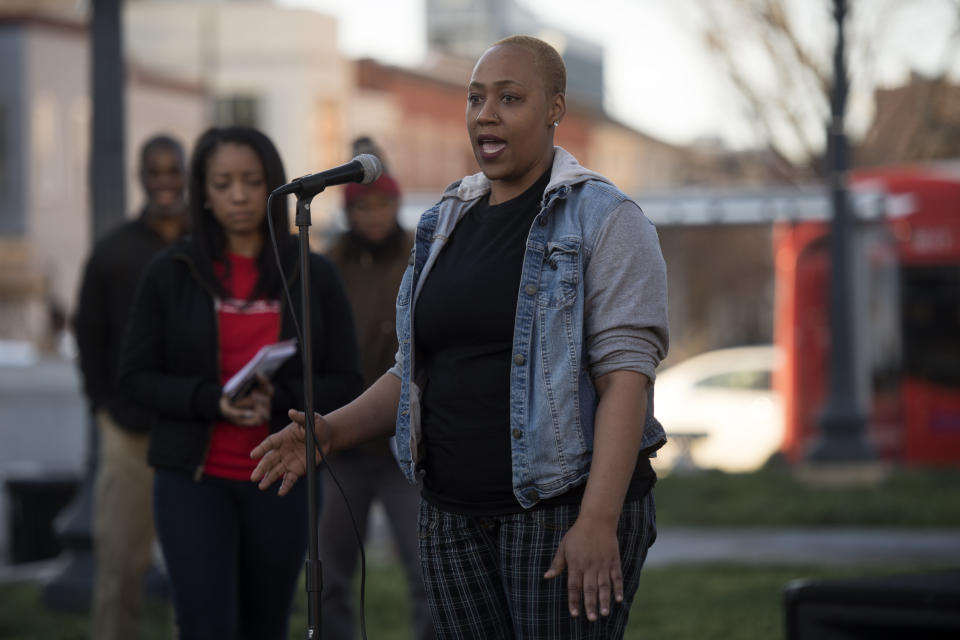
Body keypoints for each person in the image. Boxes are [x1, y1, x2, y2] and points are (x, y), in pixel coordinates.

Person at [252, 35, 669, 639]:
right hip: (451, 513)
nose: (486, 114)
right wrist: (332, 430)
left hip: (559, 510)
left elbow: (626, 376)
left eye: (509, 98)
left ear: (555, 107)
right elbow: (413, 369)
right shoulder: (444, 221)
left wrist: (599, 518)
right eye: (475, 99)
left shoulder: (605, 219)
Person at [118, 125, 362, 639]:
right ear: (202, 192)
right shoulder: (172, 271)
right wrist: (212, 401)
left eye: (252, 181)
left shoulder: (311, 272)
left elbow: (348, 380)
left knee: (265, 624)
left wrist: (286, 400)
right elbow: (134, 378)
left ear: (272, 185)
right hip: (192, 480)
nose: (238, 195)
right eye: (223, 182)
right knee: (204, 624)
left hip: (282, 479)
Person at [73, 133, 187, 640]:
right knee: (120, 568)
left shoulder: (205, 245)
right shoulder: (113, 251)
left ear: (186, 173)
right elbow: (88, 334)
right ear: (141, 176)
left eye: (172, 170)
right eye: (154, 170)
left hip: (195, 428)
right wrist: (105, 408)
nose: (164, 181)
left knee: (197, 572)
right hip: (129, 430)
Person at [319, 151, 435, 640]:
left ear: (397, 205)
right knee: (327, 576)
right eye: (363, 207)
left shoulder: (422, 255)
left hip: (404, 446)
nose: (373, 216)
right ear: (349, 211)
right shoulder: (327, 267)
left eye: (382, 205)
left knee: (427, 571)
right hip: (341, 443)